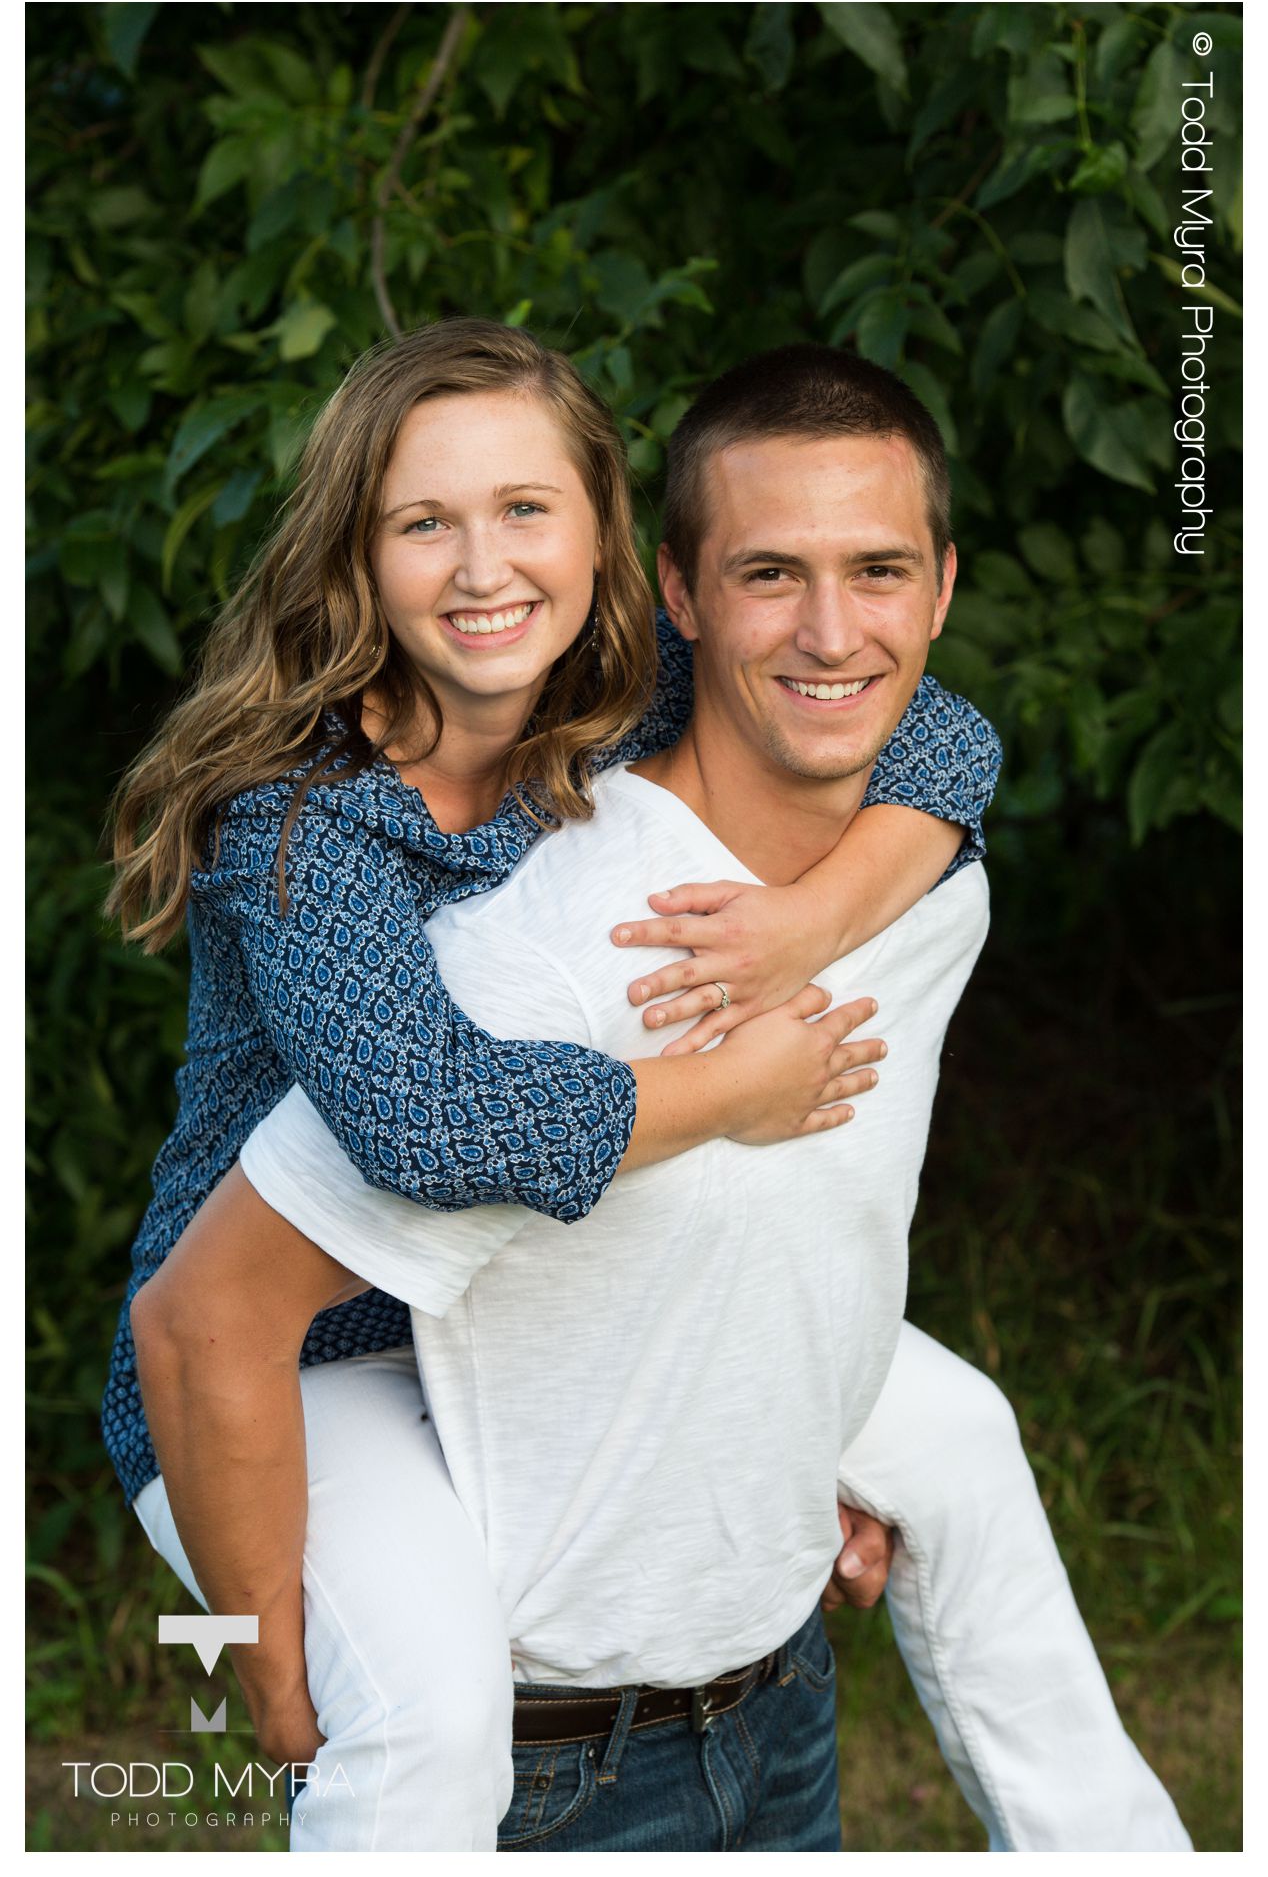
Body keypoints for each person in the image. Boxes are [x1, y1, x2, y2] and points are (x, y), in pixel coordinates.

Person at [131, 343, 1191, 1851]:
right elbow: (425, 1131)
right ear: (355, 556)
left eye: (526, 510)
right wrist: (728, 1088)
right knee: (423, 1719)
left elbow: (943, 736)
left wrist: (812, 927)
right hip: (311, 1342)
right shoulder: (306, 832)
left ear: (616, 548)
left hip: (523, 1294)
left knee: (958, 1445)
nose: (485, 565)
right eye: (424, 523)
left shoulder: (631, 698)